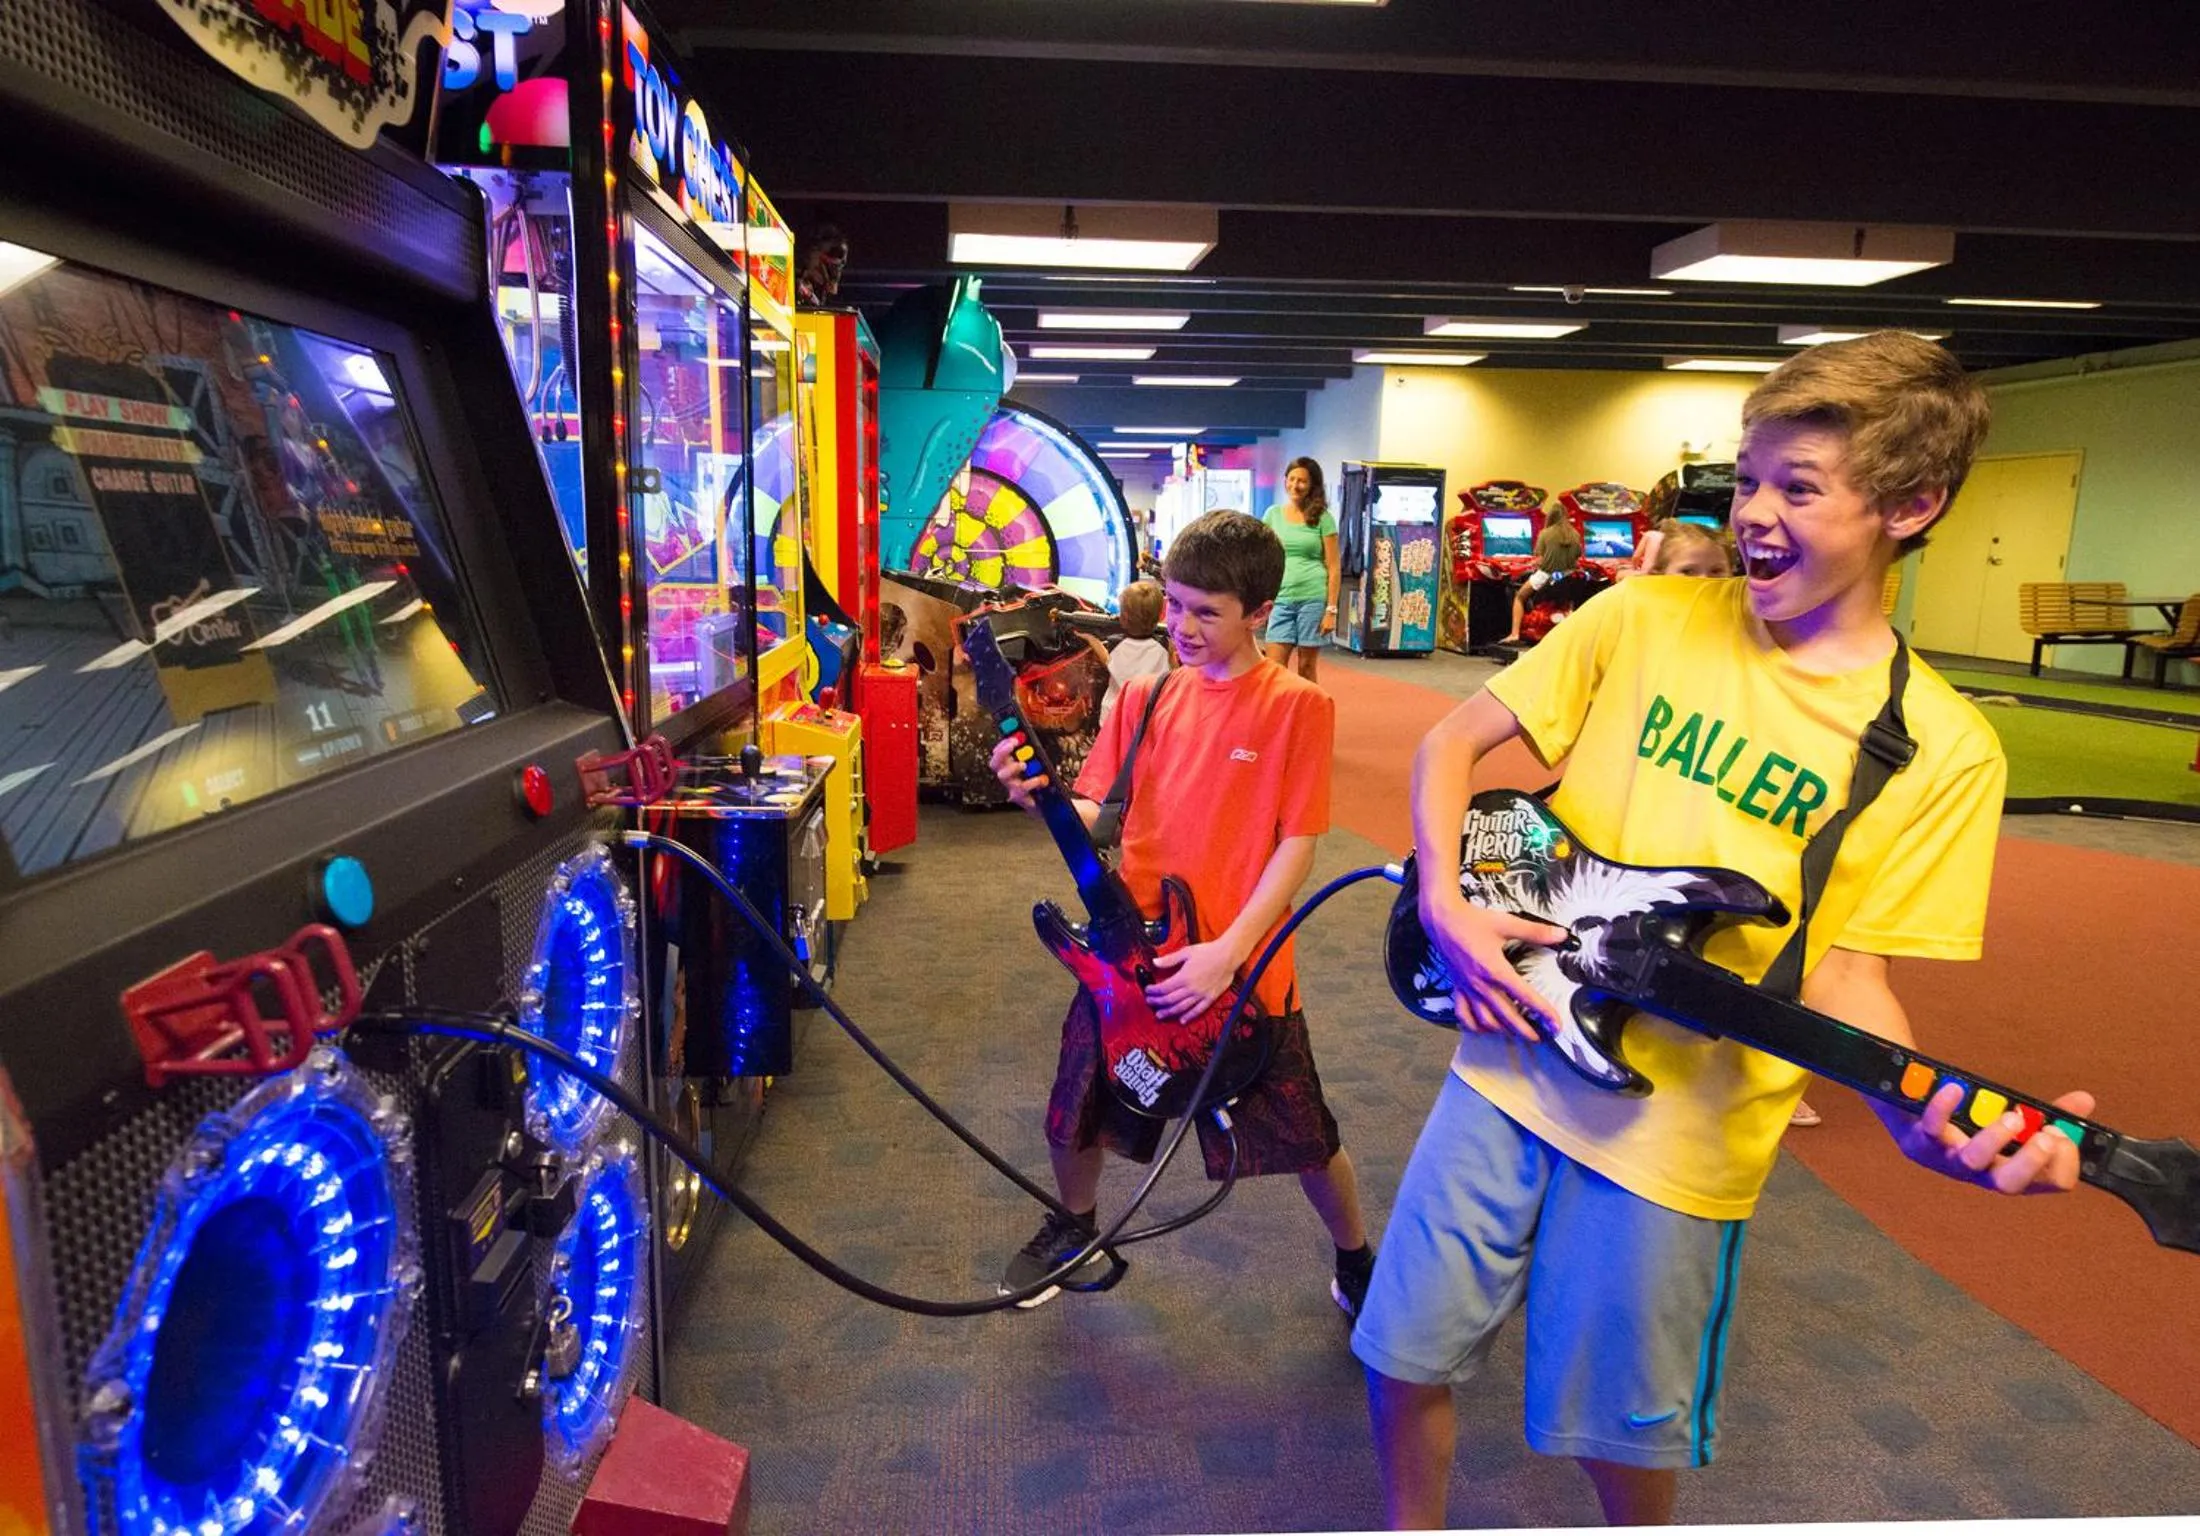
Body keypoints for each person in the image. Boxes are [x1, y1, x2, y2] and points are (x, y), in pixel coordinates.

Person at [1357, 332, 2095, 1529]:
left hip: (1676, 1139)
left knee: (1615, 1436)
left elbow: (1847, 968)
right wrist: (1445, 900)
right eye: (1748, 479)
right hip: (1501, 1067)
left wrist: (1917, 1117)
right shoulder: (1643, 615)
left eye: (1798, 489)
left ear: (1912, 504)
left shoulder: (1942, 750)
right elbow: (1453, 746)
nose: (1754, 514)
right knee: (1400, 1353)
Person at [990, 509, 1376, 1316]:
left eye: (1207, 611)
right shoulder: (1146, 693)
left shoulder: (1297, 708)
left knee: (1305, 1139)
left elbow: (1297, 846)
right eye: (1174, 604)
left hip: (1239, 973)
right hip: (1124, 959)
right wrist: (1041, 798)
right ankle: (1075, 1226)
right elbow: (1100, 808)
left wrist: (1230, 952)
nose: (1183, 626)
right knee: (1076, 1109)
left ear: (1259, 613)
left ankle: (1357, 1261)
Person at [1262, 457, 1340, 682]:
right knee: (1275, 668)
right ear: (1285, 480)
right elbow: (1262, 558)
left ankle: (1307, 715)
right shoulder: (1272, 515)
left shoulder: (1323, 518)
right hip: (1281, 599)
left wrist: (1331, 610)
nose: (1295, 485)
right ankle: (1278, 716)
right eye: (1292, 479)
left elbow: (1334, 566)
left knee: (1306, 667)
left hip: (1313, 598)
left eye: (1302, 481)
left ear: (1312, 485)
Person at [1499, 503, 1586, 643]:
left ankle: (1514, 634)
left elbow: (1539, 560)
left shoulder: (1545, 533)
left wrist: (1530, 563)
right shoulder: (1575, 534)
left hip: (1546, 575)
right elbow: (1577, 559)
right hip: (1568, 577)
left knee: (1519, 596)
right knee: (1568, 601)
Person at [1100, 579, 1172, 723]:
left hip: (1114, 717)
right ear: (1161, 616)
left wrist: (1089, 638)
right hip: (1150, 717)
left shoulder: (1115, 643)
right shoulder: (1164, 644)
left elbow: (1106, 660)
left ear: (1122, 618)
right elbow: (1174, 671)